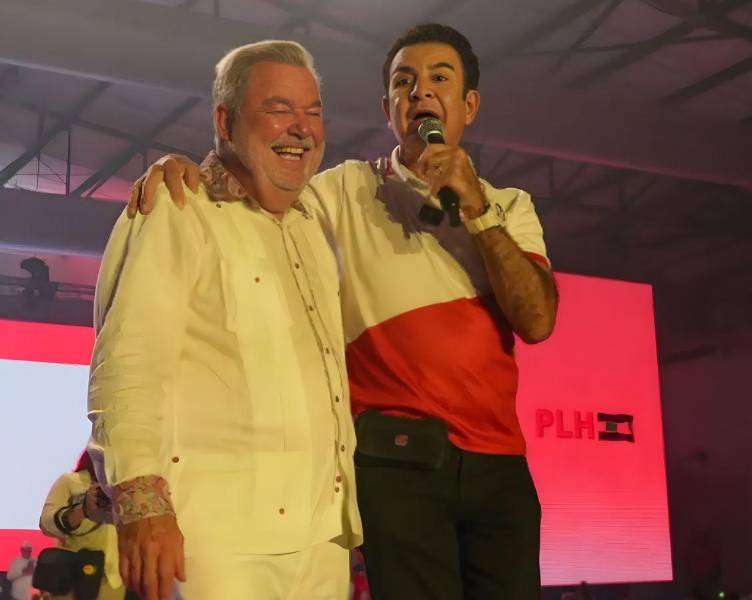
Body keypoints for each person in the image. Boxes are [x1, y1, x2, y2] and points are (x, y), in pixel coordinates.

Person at [132, 23, 557, 599]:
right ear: (388, 108)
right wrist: (186, 165)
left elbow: (537, 321)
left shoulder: (510, 206)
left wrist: (474, 207)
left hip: (498, 462)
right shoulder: (341, 191)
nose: (421, 92)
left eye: (439, 78)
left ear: (469, 105)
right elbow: (261, 172)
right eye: (404, 82)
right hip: (396, 462)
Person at [87, 39, 362, 600]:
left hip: (323, 541)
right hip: (215, 541)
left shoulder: (315, 228)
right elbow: (129, 363)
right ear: (225, 121)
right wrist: (142, 507)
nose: (301, 127)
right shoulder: (178, 209)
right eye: (279, 109)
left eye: (312, 112)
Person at [39, 450, 124, 599]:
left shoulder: (129, 488)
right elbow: (46, 522)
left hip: (116, 580)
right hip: (73, 578)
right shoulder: (71, 481)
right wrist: (81, 510)